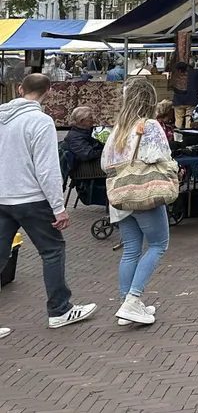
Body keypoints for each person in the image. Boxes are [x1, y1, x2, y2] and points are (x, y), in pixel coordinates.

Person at [0, 74, 97, 332]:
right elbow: (47, 169)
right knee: (52, 251)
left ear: (20, 89)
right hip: (31, 198)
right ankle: (60, 309)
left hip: (2, 197)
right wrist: (58, 207)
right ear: (49, 92)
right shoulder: (41, 122)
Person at [100, 78, 173, 326]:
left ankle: (126, 303)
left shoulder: (118, 128)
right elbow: (160, 156)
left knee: (131, 250)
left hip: (120, 197)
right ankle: (132, 299)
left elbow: (104, 164)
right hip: (143, 193)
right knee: (158, 244)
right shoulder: (149, 125)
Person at [170, 60, 198, 128]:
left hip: (177, 101)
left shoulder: (175, 75)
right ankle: (188, 135)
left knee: (178, 119)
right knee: (189, 119)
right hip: (191, 100)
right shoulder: (196, 72)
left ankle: (177, 136)